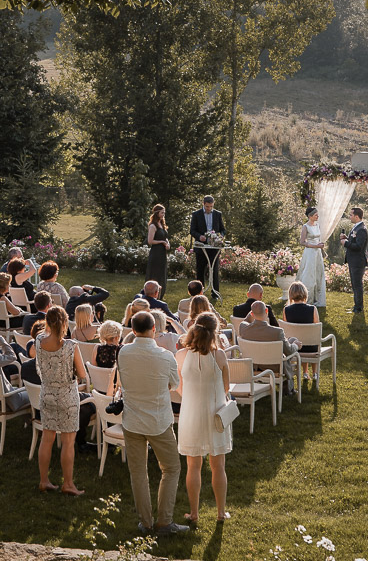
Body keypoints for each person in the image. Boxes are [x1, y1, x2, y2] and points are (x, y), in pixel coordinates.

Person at [116, 311, 188, 535]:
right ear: (154, 330)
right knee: (172, 468)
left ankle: (145, 523)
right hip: (158, 420)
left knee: (138, 472)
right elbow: (175, 384)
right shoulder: (165, 356)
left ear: (132, 329)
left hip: (133, 420)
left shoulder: (124, 352)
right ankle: (164, 522)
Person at [175, 312, 232, 524]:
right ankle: (220, 513)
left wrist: (190, 397)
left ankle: (194, 513)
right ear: (215, 332)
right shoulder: (220, 356)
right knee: (218, 466)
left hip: (190, 414)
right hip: (216, 414)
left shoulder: (180, 356)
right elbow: (226, 387)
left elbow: (178, 386)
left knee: (193, 466)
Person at [35, 306, 86, 495]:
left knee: (47, 439)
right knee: (68, 442)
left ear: (47, 321)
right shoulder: (71, 346)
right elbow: (81, 373)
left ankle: (44, 480)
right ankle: (68, 484)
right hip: (67, 396)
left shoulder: (39, 340)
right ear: (65, 323)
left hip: (46, 393)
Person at [239, 301, 298, 396]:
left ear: (252, 314)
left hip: (254, 365)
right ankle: (288, 387)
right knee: (292, 342)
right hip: (274, 367)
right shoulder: (277, 332)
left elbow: (244, 322)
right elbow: (289, 351)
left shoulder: (243, 328)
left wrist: (251, 315)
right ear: (266, 311)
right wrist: (295, 345)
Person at [283, 281, 320, 380]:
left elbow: (287, 329)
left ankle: (305, 372)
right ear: (305, 293)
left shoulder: (286, 310)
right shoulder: (313, 309)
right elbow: (316, 328)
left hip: (296, 346)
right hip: (311, 347)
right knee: (312, 341)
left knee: (301, 340)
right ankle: (315, 373)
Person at [189, 195, 225, 295]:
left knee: (214, 269)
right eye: (207, 206)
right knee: (200, 270)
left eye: (211, 206)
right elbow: (192, 230)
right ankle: (199, 293)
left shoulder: (218, 214)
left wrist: (220, 236)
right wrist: (199, 236)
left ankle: (215, 293)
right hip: (201, 247)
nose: (209, 208)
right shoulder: (196, 214)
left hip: (214, 247)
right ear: (203, 204)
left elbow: (223, 230)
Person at [296, 207, 326, 307]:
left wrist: (320, 245)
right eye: (315, 215)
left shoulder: (317, 225)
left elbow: (317, 238)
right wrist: (315, 246)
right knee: (308, 275)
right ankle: (306, 298)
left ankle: (317, 298)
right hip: (310, 253)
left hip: (317, 253)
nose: (317, 216)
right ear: (310, 216)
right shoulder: (305, 227)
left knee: (318, 274)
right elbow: (302, 242)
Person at [340, 207, 368, 314]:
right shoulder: (357, 227)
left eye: (351, 215)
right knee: (355, 284)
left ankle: (358, 307)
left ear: (357, 216)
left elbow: (359, 247)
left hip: (358, 261)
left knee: (357, 285)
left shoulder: (361, 229)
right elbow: (355, 242)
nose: (349, 217)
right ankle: (356, 305)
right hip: (353, 261)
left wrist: (345, 243)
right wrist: (347, 238)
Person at [146, 204, 171, 299]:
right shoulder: (153, 226)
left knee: (162, 274)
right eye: (162, 212)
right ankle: (151, 294)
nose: (163, 214)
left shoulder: (162, 224)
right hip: (156, 253)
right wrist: (162, 242)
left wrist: (167, 243)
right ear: (157, 213)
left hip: (162, 253)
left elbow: (165, 238)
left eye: (164, 212)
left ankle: (160, 294)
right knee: (155, 274)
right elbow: (150, 241)